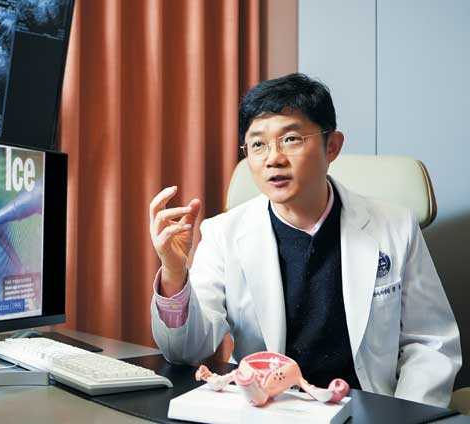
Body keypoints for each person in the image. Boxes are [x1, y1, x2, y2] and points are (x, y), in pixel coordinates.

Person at [148, 73, 461, 407]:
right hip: (267, 410)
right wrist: (174, 271)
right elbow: (185, 351)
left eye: (291, 139)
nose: (273, 158)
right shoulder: (223, 233)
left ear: (332, 146)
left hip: (366, 409)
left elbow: (430, 344)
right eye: (258, 144)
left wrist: (403, 415)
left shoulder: (395, 226)